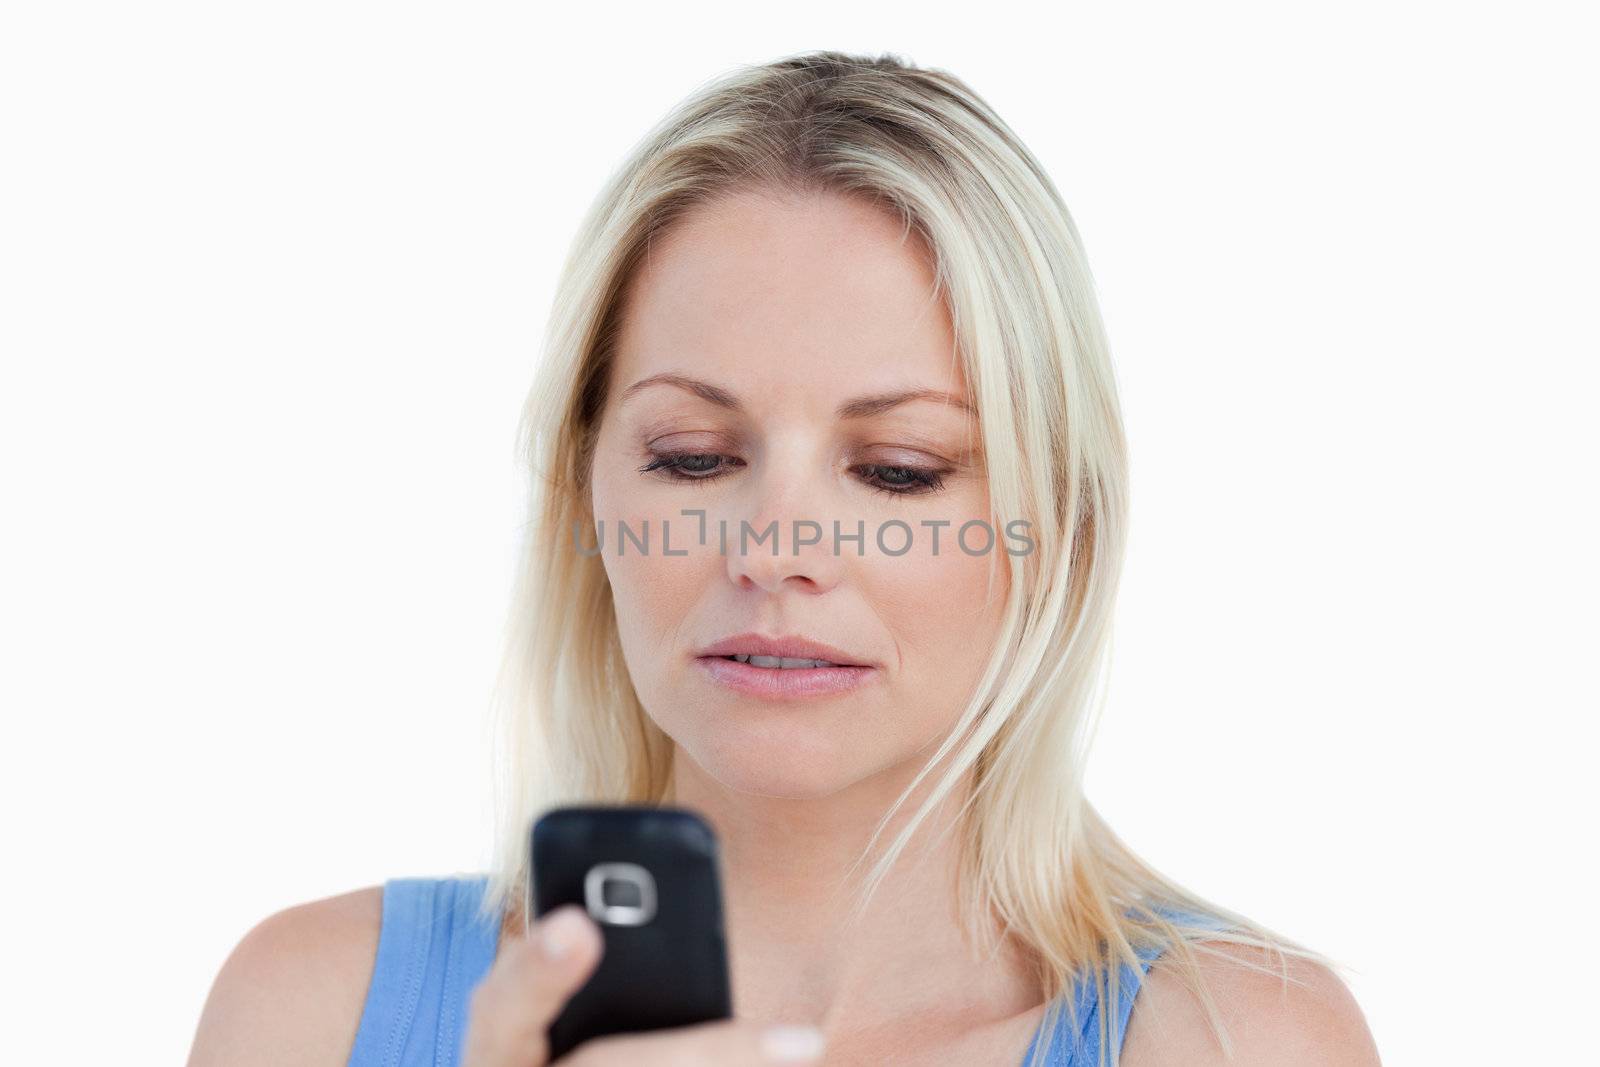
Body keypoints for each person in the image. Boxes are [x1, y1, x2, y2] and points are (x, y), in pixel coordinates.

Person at [186, 50, 1381, 1067]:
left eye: (898, 469)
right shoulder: (311, 1009)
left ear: (1058, 526)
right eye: (696, 456)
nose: (777, 552)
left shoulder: (1239, 1037)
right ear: (582, 492)